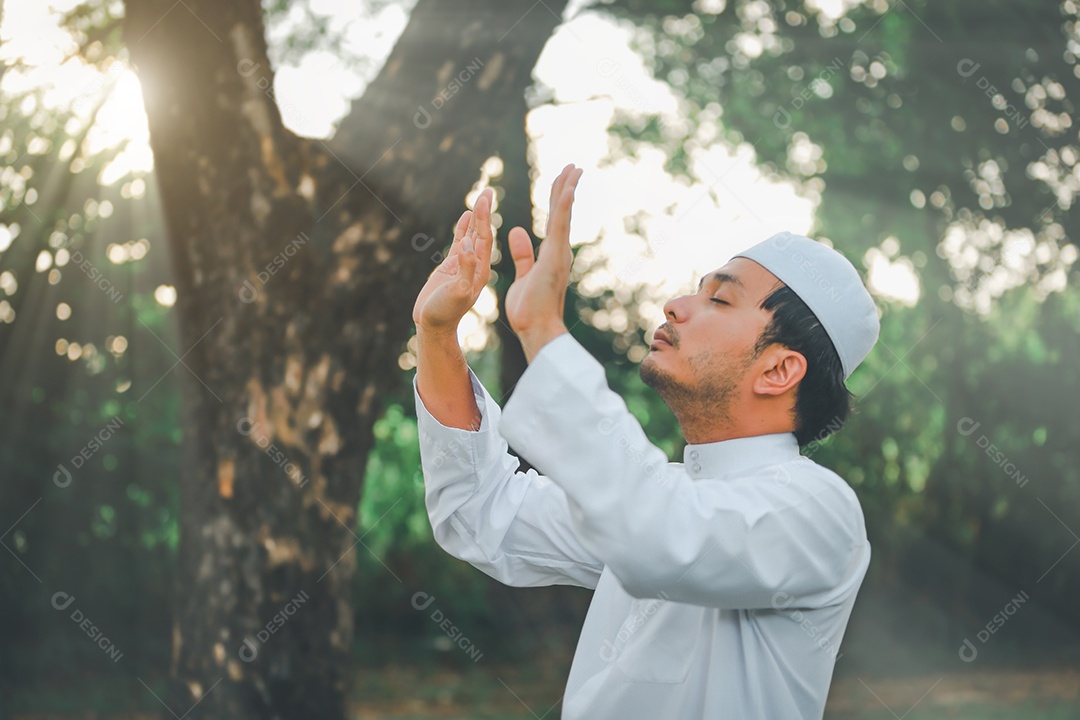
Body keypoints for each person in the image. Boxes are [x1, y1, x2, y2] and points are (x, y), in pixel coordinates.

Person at [410, 163, 880, 719]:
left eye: (720, 301)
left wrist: (543, 329)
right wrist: (437, 335)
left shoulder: (817, 511)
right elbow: (481, 513)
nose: (676, 304)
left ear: (778, 371)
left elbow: (656, 535)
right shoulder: (664, 497)